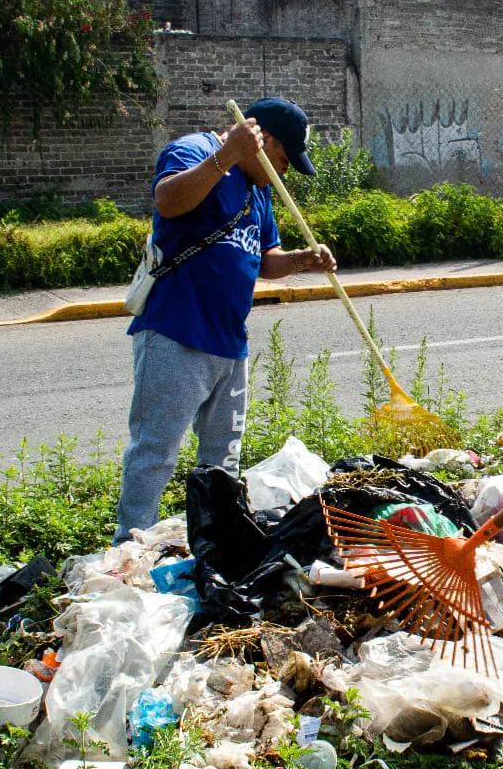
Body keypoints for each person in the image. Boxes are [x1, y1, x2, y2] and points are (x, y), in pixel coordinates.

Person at [112, 98, 336, 543]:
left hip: (230, 343)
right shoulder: (195, 151)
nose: (285, 170)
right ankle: (129, 547)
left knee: (221, 461)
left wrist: (300, 260)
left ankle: (211, 545)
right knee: (156, 450)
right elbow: (167, 201)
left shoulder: (259, 188)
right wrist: (226, 155)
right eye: (284, 159)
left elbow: (263, 259)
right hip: (177, 330)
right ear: (262, 140)